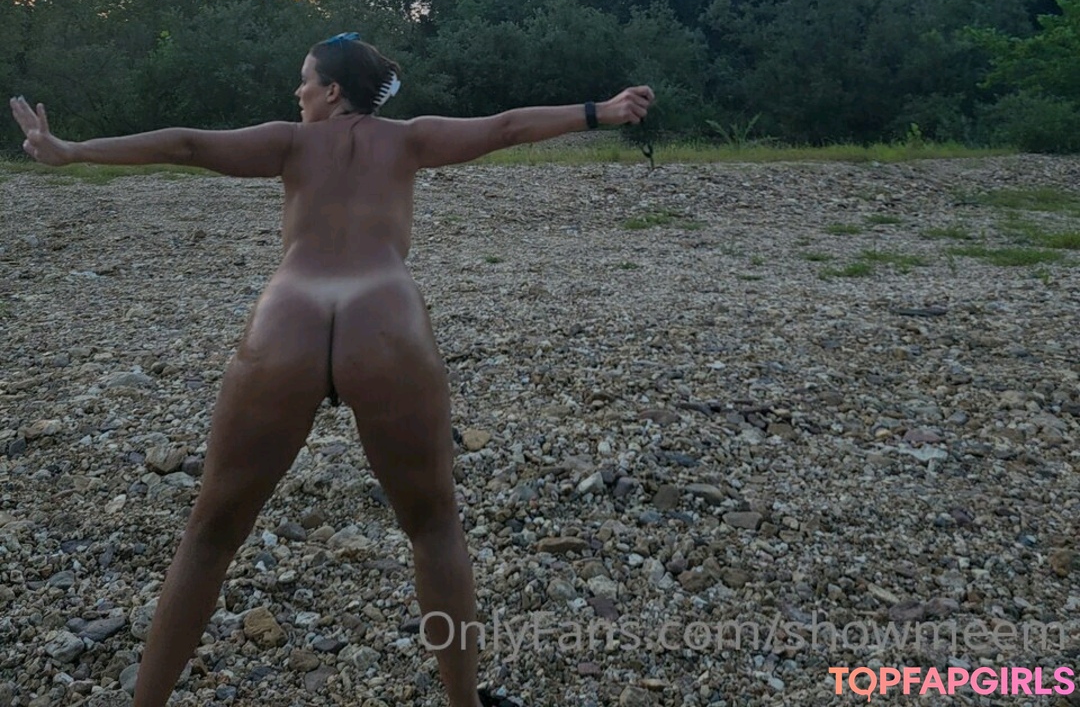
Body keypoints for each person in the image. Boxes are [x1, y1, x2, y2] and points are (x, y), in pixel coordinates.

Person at [10, 36, 654, 707]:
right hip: (385, 315)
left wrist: (72, 151)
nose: (298, 92)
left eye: (305, 81)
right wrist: (600, 111)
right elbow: (507, 127)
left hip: (288, 315)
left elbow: (186, 145)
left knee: (210, 535)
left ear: (333, 91)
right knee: (434, 527)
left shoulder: (288, 143)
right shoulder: (408, 138)